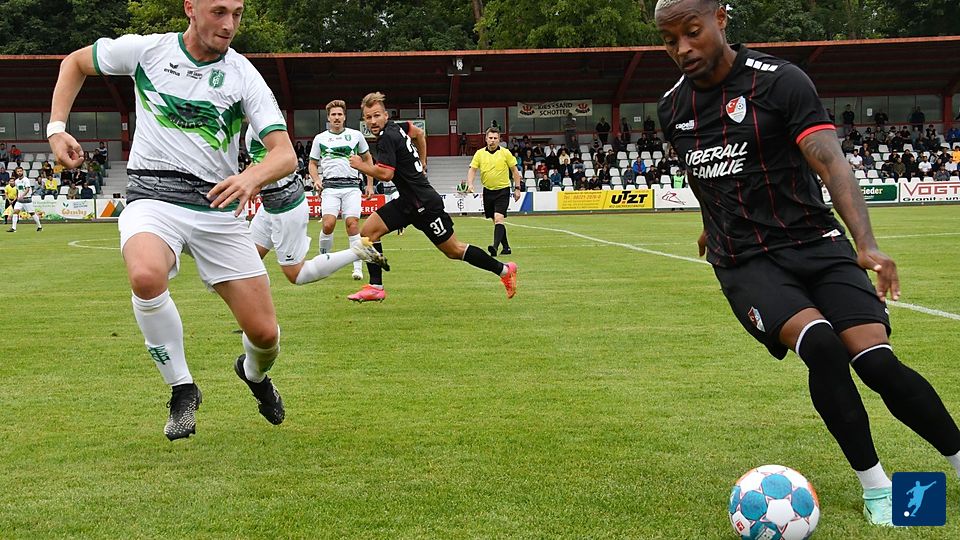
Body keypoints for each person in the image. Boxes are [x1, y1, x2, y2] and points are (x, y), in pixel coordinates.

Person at [655, 0, 960, 528]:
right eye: (669, 40)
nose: (682, 48)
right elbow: (702, 175)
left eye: (692, 32)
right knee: (822, 346)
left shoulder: (780, 81)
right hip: (746, 259)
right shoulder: (672, 107)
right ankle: (878, 489)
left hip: (817, 243)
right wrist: (711, 222)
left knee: (876, 362)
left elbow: (828, 159)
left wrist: (866, 243)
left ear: (720, 19)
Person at [48, 0, 297, 441]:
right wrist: (55, 128)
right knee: (145, 275)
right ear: (190, 8)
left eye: (237, 14)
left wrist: (250, 177)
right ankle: (182, 388)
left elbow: (285, 154)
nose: (229, 24)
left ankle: (254, 374)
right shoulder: (148, 51)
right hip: (152, 197)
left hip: (216, 207)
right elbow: (75, 63)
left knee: (264, 334)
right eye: (219, 12)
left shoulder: (243, 74)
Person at [346, 92, 518, 302]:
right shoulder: (399, 127)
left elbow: (386, 174)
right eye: (368, 117)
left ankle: (505, 270)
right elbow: (419, 133)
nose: (373, 121)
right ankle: (376, 287)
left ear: (385, 115)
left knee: (454, 250)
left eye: (376, 115)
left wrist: (361, 165)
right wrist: (423, 161)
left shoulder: (387, 137)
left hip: (424, 205)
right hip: (408, 201)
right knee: (368, 233)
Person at [245, 127, 387, 287]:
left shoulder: (264, 120)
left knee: (297, 274)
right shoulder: (251, 123)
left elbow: (287, 161)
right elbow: (260, 160)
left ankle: (359, 252)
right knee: (247, 262)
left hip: (285, 202)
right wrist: (245, 179)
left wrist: (254, 181)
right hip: (269, 203)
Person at [308, 100, 375, 281]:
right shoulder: (320, 138)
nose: (336, 117)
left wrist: (369, 184)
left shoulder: (356, 135)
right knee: (328, 225)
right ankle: (323, 262)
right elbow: (312, 163)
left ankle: (357, 268)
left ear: (344, 117)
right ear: (328, 118)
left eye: (339, 114)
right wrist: (316, 180)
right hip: (330, 187)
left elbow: (368, 159)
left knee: (352, 224)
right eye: (333, 115)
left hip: (352, 186)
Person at [468, 127, 523, 257]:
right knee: (496, 221)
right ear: (486, 139)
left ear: (499, 140)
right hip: (488, 191)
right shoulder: (479, 153)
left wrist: (517, 188)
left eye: (495, 138)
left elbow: (515, 171)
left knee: (499, 219)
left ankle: (494, 247)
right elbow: (472, 169)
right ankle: (506, 247)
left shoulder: (505, 153)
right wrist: (470, 184)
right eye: (490, 138)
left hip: (503, 191)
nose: (492, 140)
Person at [6, 168, 42, 232]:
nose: (19, 172)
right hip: (19, 200)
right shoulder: (16, 181)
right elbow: (17, 190)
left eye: (20, 171)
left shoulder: (26, 180)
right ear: (16, 172)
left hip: (27, 199)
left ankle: (39, 226)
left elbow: (27, 189)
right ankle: (13, 228)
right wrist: (17, 197)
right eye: (18, 171)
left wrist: (22, 196)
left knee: (32, 213)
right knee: (15, 212)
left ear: (22, 172)